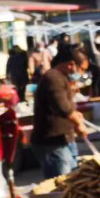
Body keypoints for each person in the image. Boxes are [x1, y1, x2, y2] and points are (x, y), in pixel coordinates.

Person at [31, 43, 88, 179]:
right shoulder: (53, 78)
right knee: (61, 188)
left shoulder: (61, 78)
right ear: (71, 65)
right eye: (81, 69)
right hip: (52, 144)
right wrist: (78, 123)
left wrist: (77, 116)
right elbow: (63, 107)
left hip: (64, 140)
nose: (82, 74)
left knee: (72, 184)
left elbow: (66, 107)